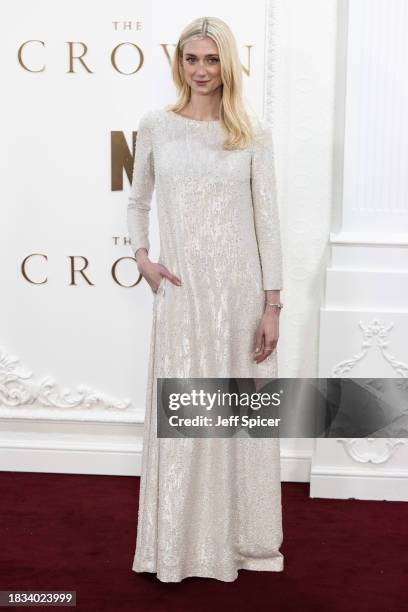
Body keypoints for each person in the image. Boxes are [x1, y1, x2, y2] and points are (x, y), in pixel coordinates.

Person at [127, 15, 284, 582]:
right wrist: (142, 257)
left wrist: (272, 306)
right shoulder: (156, 126)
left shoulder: (251, 134)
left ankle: (244, 545)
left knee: (241, 419)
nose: (202, 71)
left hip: (242, 298)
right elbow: (137, 201)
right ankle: (177, 547)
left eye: (212, 60)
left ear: (228, 65)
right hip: (183, 295)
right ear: (179, 64)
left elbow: (268, 223)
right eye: (192, 59)